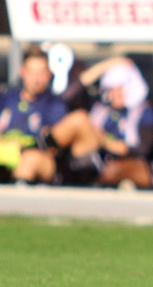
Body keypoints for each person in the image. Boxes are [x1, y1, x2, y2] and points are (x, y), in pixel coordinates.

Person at [0, 45, 100, 184]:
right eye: (31, 72)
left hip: (38, 157)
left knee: (30, 159)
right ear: (22, 71)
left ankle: (17, 202)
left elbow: (52, 144)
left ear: (49, 74)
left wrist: (22, 148)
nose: (36, 79)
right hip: (5, 150)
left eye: (41, 73)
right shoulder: (6, 98)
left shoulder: (54, 104)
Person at [81, 57, 153, 189]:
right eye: (112, 89)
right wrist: (108, 64)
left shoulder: (143, 112)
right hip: (100, 162)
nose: (116, 93)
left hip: (130, 162)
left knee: (119, 171)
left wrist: (116, 146)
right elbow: (80, 84)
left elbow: (143, 147)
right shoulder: (100, 111)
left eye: (121, 88)